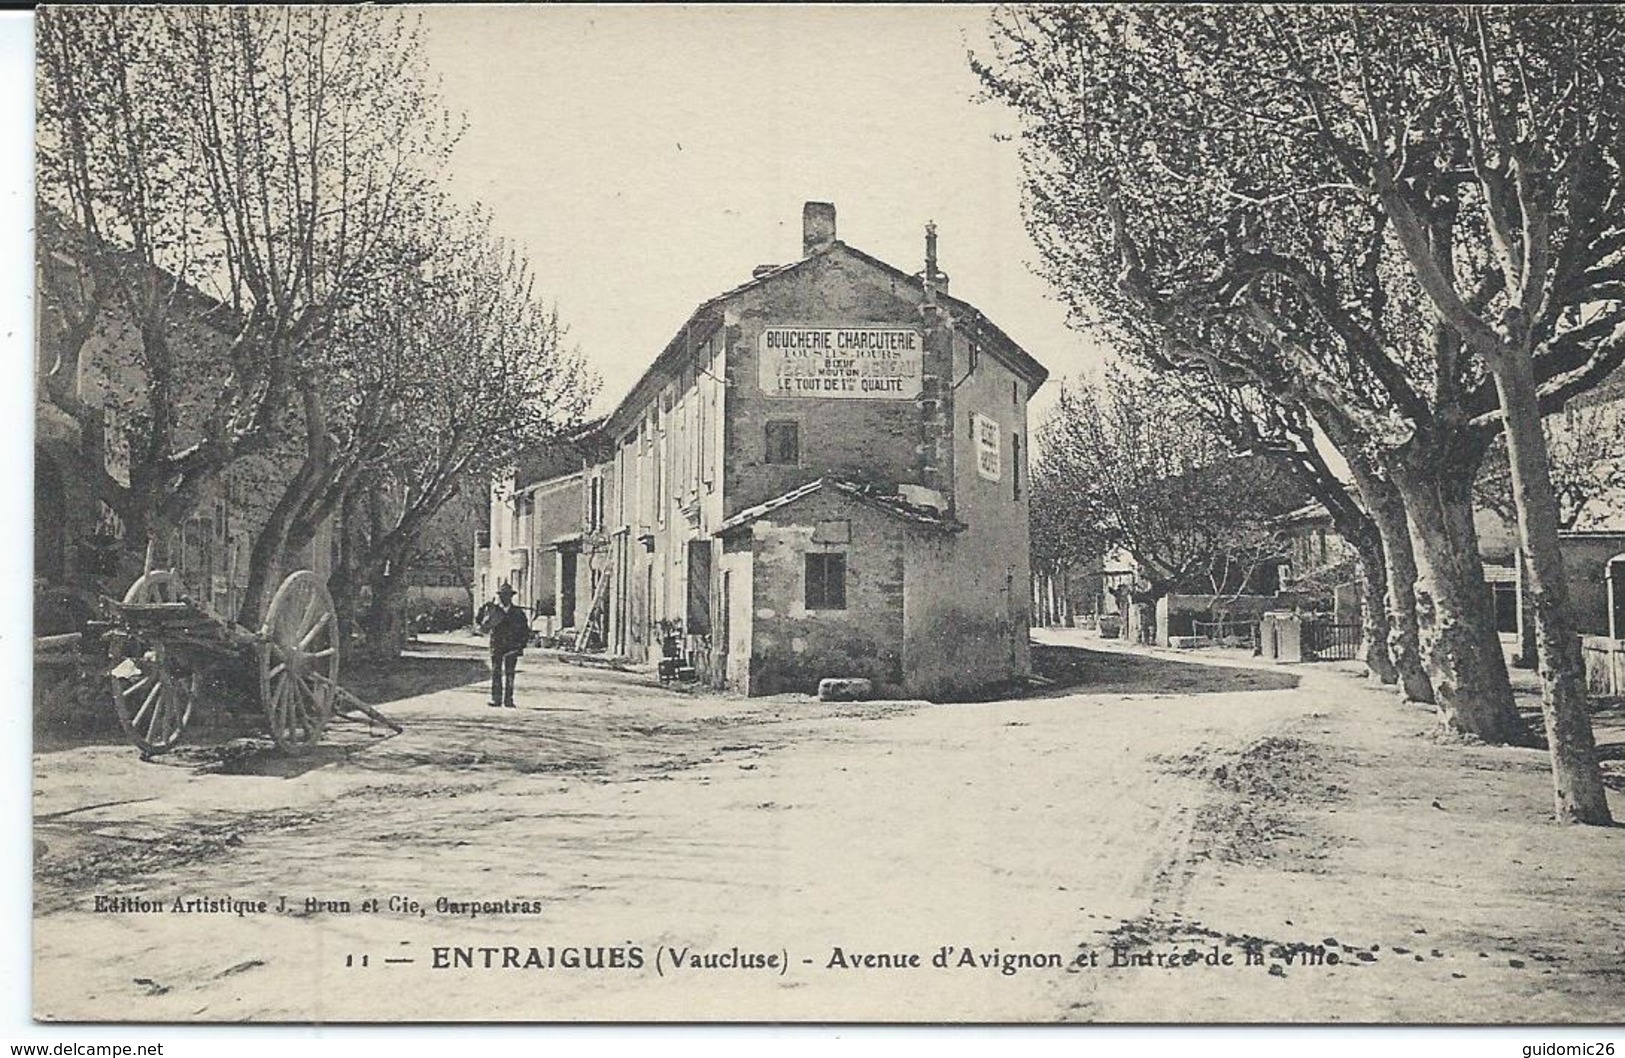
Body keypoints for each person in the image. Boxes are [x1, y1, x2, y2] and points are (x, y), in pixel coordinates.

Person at [478, 583, 530, 708]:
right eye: (502, 595)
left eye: (507, 595)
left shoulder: (518, 612)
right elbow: (480, 622)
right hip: (497, 645)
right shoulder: (493, 611)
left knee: (510, 673)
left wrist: (521, 645)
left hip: (512, 646)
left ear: (511, 597)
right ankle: (496, 698)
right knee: (496, 672)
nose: (504, 598)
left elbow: (525, 630)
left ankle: (509, 699)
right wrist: (484, 610)